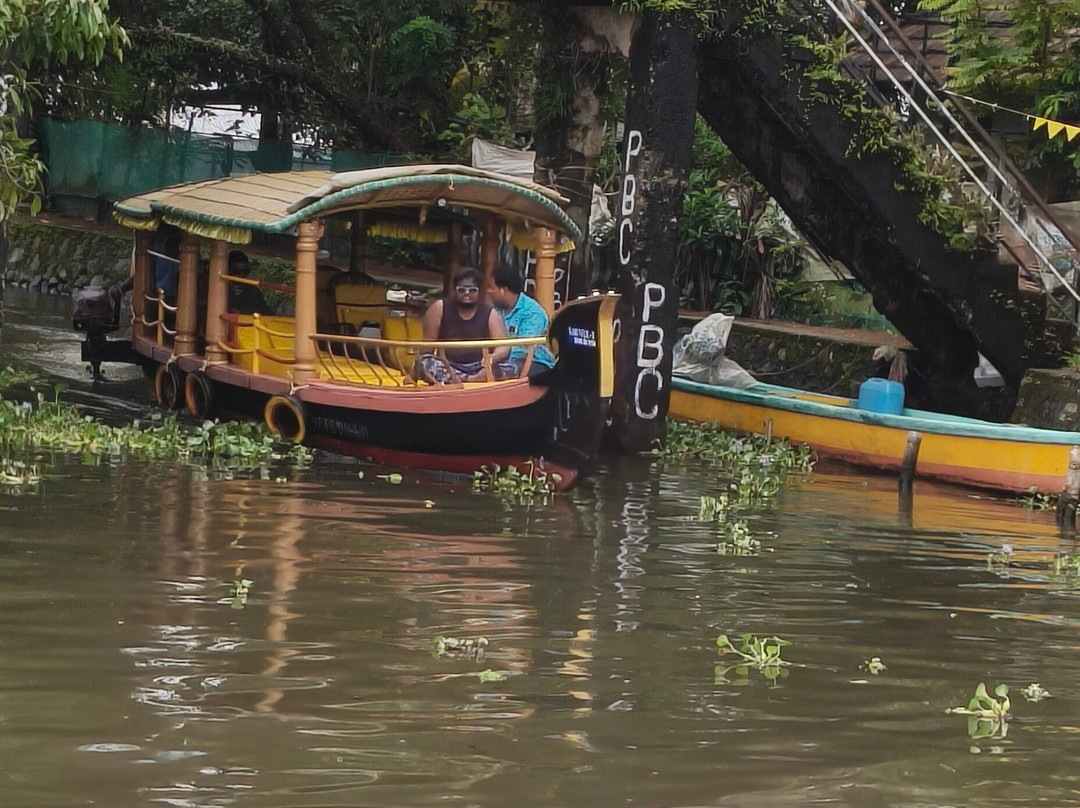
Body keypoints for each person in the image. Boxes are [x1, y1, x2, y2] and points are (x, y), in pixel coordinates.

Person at [416, 266, 513, 383]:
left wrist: (492, 358)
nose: (467, 294)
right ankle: (468, 380)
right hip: (449, 366)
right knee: (426, 362)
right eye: (462, 290)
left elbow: (503, 346)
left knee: (510, 369)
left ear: (479, 291)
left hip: (480, 366)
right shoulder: (439, 308)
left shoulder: (490, 313)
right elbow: (427, 347)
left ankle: (469, 379)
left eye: (472, 290)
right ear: (455, 290)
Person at [487, 263, 556, 377]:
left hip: (536, 363)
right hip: (504, 361)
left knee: (502, 371)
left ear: (503, 290)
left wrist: (496, 358)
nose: (487, 291)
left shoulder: (532, 312)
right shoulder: (495, 310)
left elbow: (523, 349)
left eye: (491, 287)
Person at [226, 250, 271, 315]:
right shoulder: (215, 287)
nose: (242, 275)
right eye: (237, 271)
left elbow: (265, 312)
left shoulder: (253, 291)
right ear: (227, 269)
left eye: (246, 271)